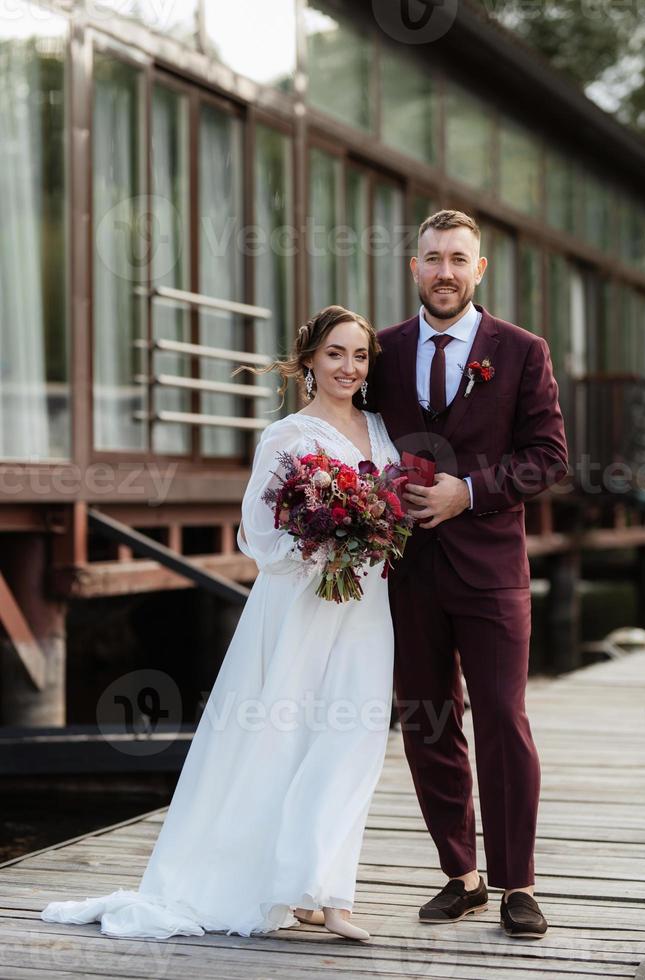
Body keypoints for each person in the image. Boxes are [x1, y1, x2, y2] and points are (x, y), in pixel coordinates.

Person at [40, 305, 402, 942]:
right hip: (302, 607)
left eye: (361, 356)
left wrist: (372, 530)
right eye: (336, 354)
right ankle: (294, 886)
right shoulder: (287, 436)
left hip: (368, 605)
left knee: (354, 739)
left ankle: (327, 890)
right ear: (310, 360)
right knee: (284, 738)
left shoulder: (379, 426)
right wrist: (328, 539)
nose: (349, 367)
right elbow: (257, 538)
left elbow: (397, 508)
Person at [366, 209, 568, 939]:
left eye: (458, 259)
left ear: (478, 271)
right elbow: (352, 434)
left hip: (490, 570)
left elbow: (548, 455)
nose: (444, 271)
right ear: (413, 267)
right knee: (429, 720)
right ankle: (462, 874)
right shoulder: (380, 352)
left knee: (504, 722)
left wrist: (470, 492)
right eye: (432, 258)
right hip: (407, 571)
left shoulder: (520, 351)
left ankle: (518, 882)